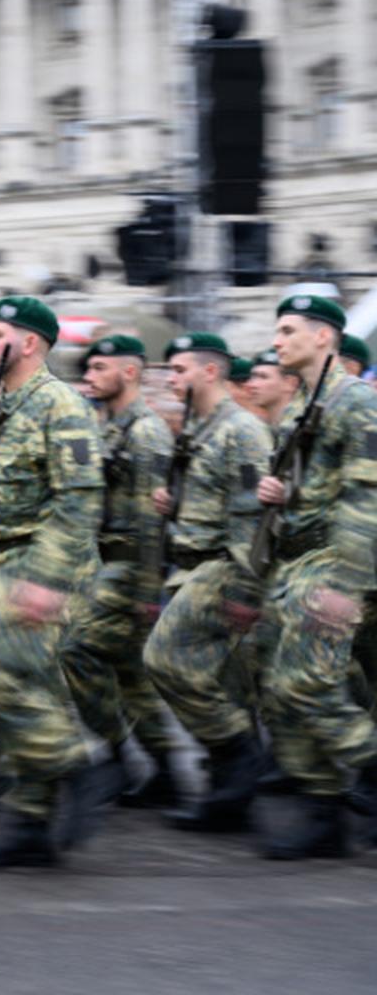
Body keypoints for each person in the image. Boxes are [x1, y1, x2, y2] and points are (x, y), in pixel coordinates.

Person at [0, 295, 111, 868]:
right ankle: (32, 823)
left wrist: (46, 580)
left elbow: (79, 500)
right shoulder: (0, 405)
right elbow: (7, 480)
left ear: (29, 343)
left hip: (37, 564)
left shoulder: (60, 406)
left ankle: (73, 761)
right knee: (32, 690)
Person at [253, 295, 377, 859]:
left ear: (323, 337)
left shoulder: (355, 403)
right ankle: (324, 810)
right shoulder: (300, 404)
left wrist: (343, 584)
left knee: (308, 681)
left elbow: (364, 498)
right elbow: (311, 482)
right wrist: (281, 493)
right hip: (296, 561)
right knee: (282, 689)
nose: (277, 341)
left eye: (287, 330)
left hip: (335, 563)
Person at [140, 333, 272, 833]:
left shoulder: (242, 432)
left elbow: (252, 517)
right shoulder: (197, 426)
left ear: (210, 372)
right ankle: (230, 792)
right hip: (187, 562)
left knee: (163, 659)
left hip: (221, 565)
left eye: (178, 370)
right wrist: (174, 506)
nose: (171, 379)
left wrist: (245, 589)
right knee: (222, 682)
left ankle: (240, 754)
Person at [64, 335, 180, 806]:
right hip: (105, 565)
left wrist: (149, 592)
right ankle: (166, 771)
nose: (88, 376)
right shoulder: (108, 428)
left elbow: (152, 522)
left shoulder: (146, 432)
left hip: (131, 568)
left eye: (98, 367)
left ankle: (114, 756)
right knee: (129, 674)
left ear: (128, 372)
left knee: (75, 650)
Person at [243, 349, 300, 426]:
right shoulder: (260, 426)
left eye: (263, 377)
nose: (251, 385)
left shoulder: (299, 425)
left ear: (290, 384)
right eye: (253, 377)